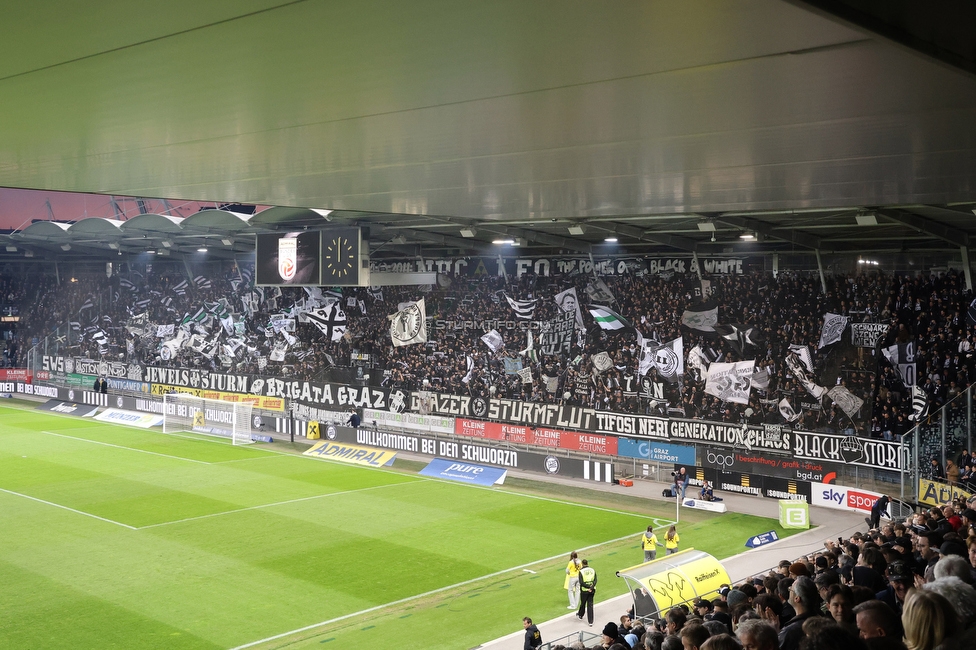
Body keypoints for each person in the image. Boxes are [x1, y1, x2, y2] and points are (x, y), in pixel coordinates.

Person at [576, 559, 597, 627]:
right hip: (592, 590)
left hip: (584, 590)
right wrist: (591, 587)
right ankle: (590, 621)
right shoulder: (592, 570)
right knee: (590, 605)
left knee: (583, 603)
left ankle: (580, 615)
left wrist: (588, 587)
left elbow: (581, 582)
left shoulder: (581, 571)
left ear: (582, 564)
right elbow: (595, 580)